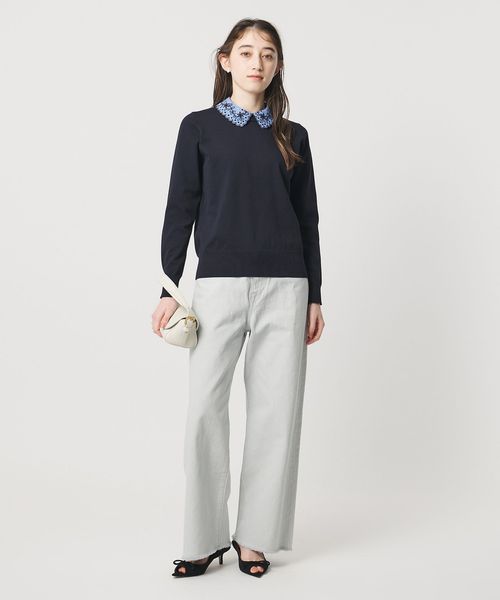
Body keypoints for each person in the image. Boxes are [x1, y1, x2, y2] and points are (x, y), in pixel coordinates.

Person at [151, 18, 325, 578]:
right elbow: (180, 206)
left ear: (277, 66)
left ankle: (256, 538)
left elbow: (308, 220)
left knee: (277, 415)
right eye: (246, 52)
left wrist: (316, 295)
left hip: (287, 287)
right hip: (218, 287)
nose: (257, 62)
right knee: (205, 410)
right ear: (225, 61)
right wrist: (169, 287)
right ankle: (203, 538)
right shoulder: (199, 128)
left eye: (268, 54)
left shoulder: (293, 136)